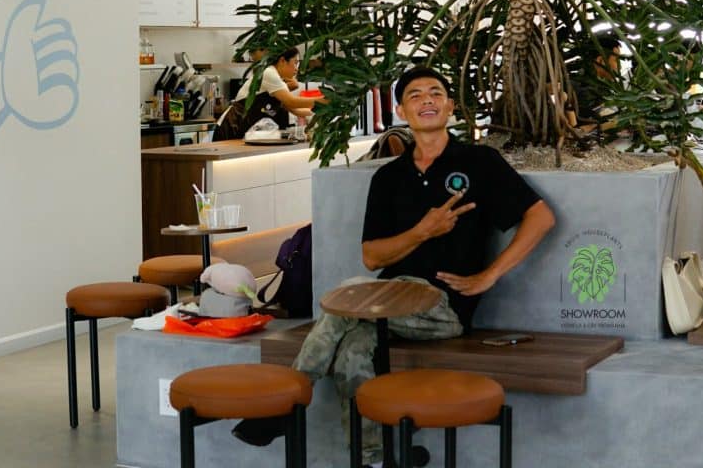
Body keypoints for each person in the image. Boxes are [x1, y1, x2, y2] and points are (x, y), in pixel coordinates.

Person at [232, 66, 556, 465]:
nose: (427, 100)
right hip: (387, 301)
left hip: (443, 306)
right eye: (415, 95)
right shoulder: (389, 177)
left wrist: (489, 276)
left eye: (435, 93)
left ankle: (285, 403)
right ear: (401, 111)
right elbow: (372, 257)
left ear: (450, 106)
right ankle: (375, 458)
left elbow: (541, 217)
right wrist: (423, 231)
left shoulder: (480, 162)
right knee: (352, 348)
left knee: (346, 297)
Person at [214, 47, 314, 140]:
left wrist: (319, 113)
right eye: (295, 62)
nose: (297, 68)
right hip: (232, 127)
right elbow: (291, 101)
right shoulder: (269, 72)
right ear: (282, 61)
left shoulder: (278, 82)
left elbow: (296, 110)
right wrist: (322, 101)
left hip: (245, 131)